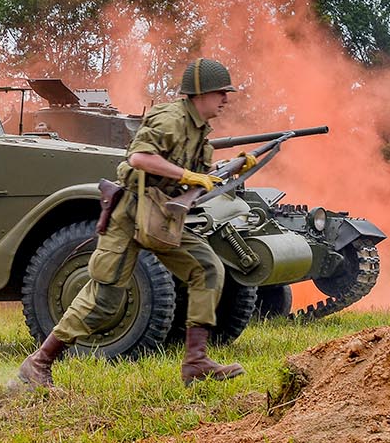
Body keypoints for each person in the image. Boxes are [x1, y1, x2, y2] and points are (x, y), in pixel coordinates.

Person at [15, 58, 254, 388]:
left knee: (208, 269)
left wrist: (232, 167)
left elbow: (195, 176)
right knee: (104, 299)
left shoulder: (199, 130)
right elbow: (139, 158)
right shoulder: (170, 119)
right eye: (220, 92)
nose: (226, 99)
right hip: (130, 215)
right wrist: (188, 175)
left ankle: (196, 362)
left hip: (161, 217)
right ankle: (39, 363)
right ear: (200, 93)